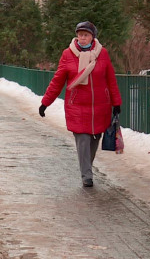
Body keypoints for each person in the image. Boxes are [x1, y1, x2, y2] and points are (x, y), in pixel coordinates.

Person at [39, 21, 122, 187]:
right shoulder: (68, 54)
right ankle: (87, 175)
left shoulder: (102, 54)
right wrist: (45, 102)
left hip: (100, 106)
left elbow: (110, 79)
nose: (82, 38)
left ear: (92, 37)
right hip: (77, 106)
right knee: (82, 139)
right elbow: (57, 81)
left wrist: (116, 102)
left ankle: (87, 168)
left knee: (94, 138)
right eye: (80, 35)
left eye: (86, 35)